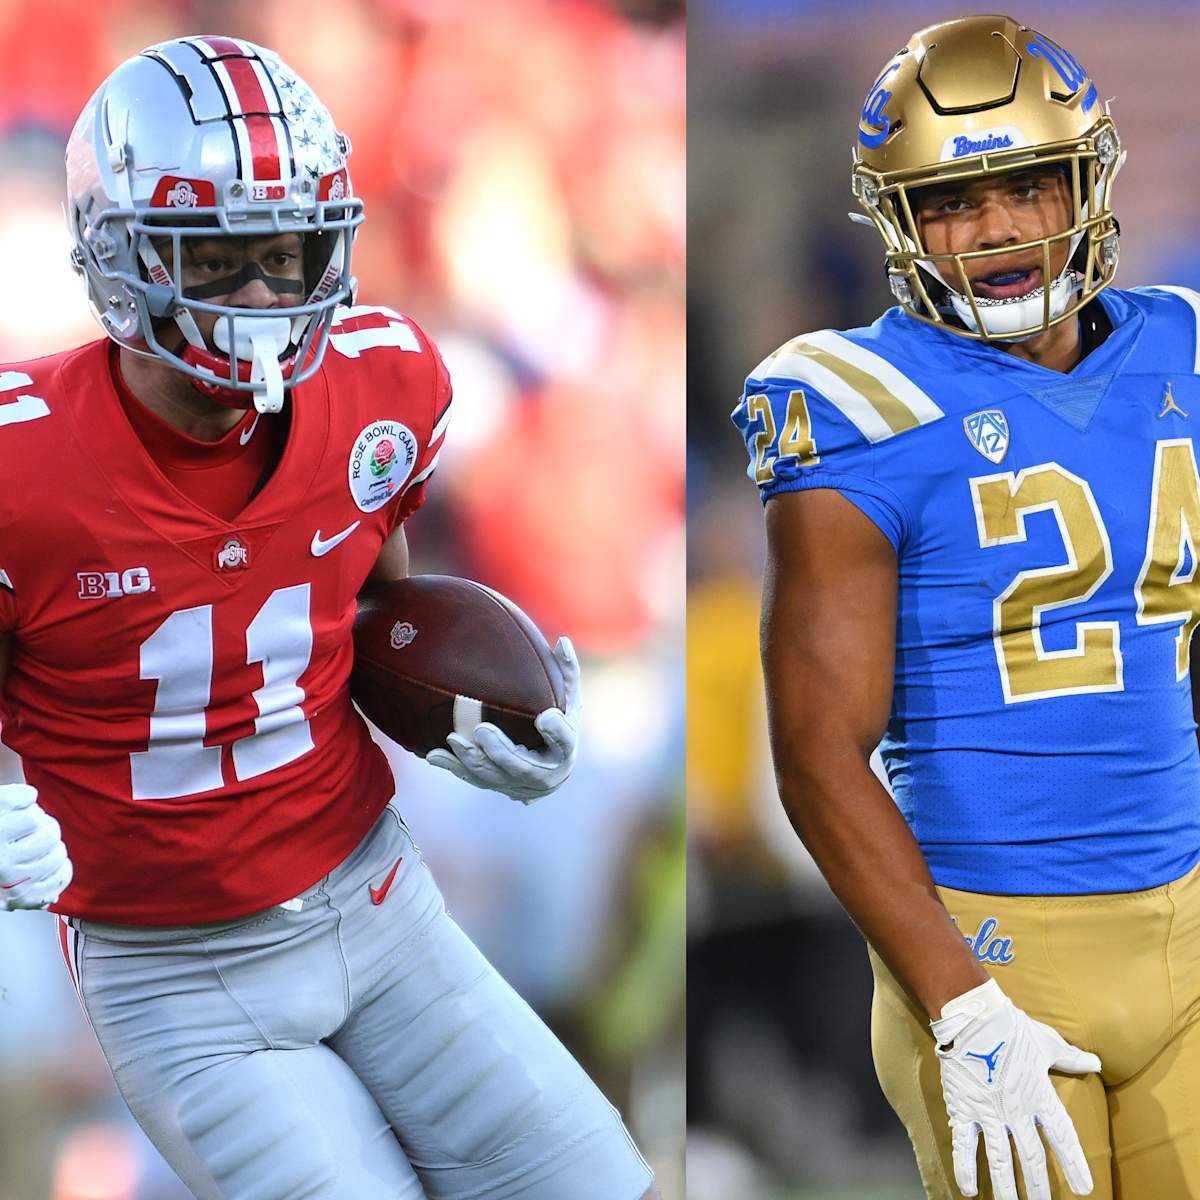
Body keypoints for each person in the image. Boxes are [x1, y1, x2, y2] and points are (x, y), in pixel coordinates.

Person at [0, 34, 658, 1200]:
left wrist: (478, 721)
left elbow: (366, 612)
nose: (263, 294)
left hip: (384, 906)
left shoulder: (381, 385)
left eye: (287, 252)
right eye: (217, 260)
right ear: (122, 253)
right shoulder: (23, 464)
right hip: (178, 975)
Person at [733, 14, 1200, 1200]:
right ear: (896, 220)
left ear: (1085, 182)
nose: (993, 231)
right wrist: (961, 1003)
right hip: (999, 955)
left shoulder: (1184, 346)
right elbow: (816, 753)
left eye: (1028, 186)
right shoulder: (856, 402)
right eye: (951, 201)